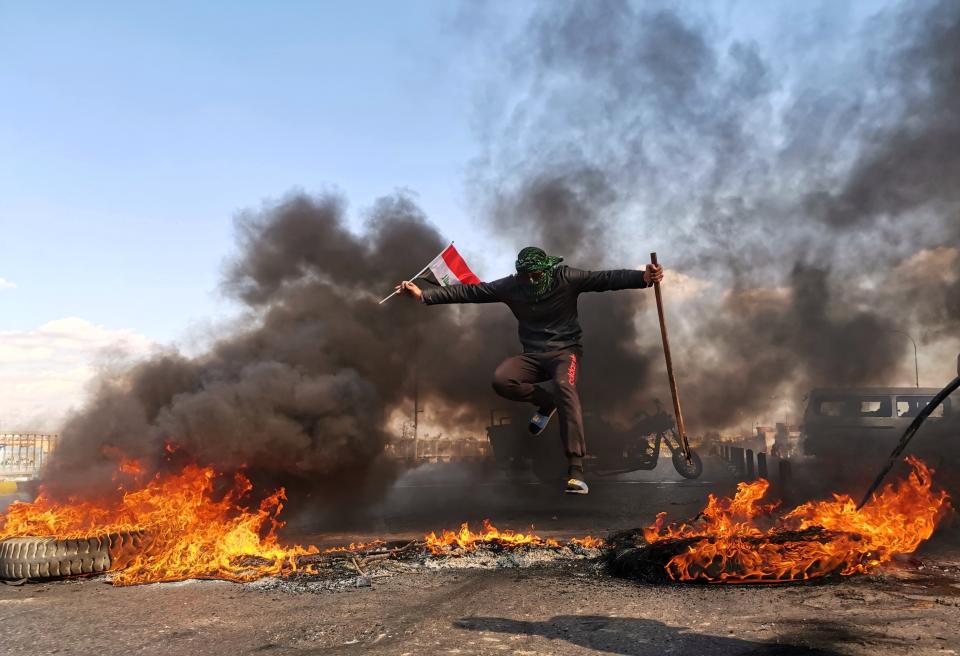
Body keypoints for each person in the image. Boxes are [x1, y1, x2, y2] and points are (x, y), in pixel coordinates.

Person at [395, 246, 663, 495]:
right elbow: (471, 292)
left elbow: (605, 279)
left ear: (547, 270)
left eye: (536, 276)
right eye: (526, 277)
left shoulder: (566, 277)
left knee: (565, 388)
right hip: (533, 356)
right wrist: (423, 296)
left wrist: (643, 277)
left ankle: (576, 469)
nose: (531, 282)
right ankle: (545, 404)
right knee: (501, 379)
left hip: (564, 352)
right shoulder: (513, 286)